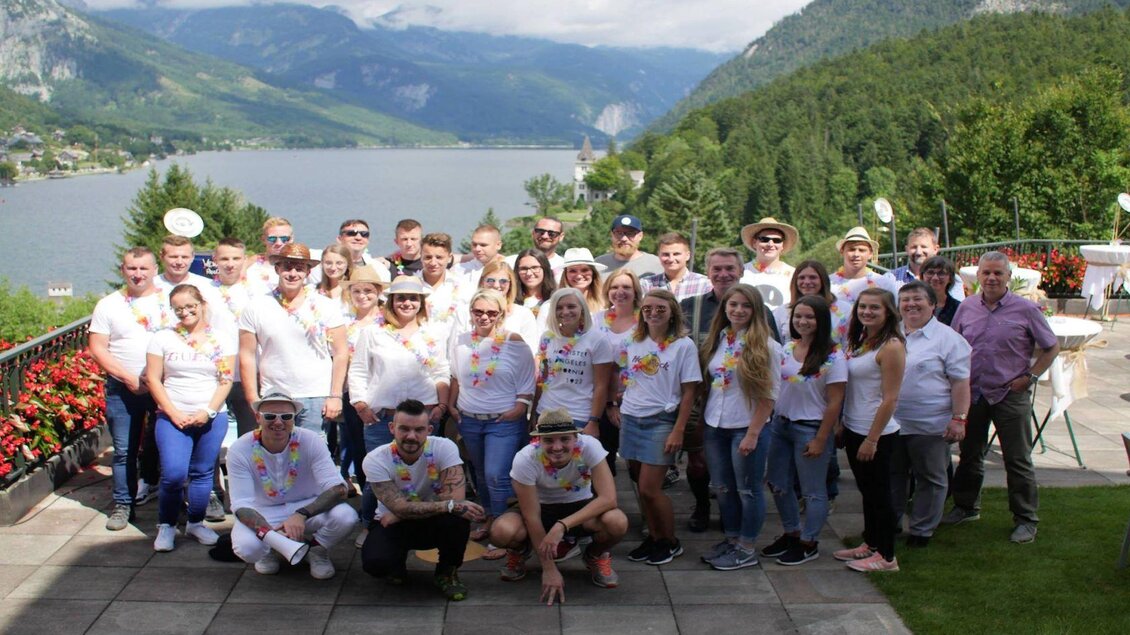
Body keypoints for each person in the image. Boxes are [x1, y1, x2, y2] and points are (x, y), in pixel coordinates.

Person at [943, 251, 1059, 544]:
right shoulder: (967, 308)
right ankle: (967, 506)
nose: (992, 278)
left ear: (1008, 276)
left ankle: (1026, 519)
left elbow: (1051, 347)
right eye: (986, 273)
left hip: (1010, 394)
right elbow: (953, 346)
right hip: (973, 394)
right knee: (969, 455)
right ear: (978, 276)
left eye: (998, 273)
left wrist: (1031, 377)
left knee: (1018, 460)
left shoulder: (1026, 310)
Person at [679, 248, 781, 533]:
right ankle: (703, 507)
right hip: (703, 403)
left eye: (729, 269)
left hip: (744, 408)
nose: (723, 274)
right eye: (717, 269)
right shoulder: (690, 306)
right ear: (707, 273)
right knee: (699, 465)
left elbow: (772, 367)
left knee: (742, 479)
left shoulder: (762, 314)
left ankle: (737, 528)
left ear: (741, 271)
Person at [349, 275, 450, 546]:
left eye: (413, 298)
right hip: (383, 417)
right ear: (391, 301)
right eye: (401, 297)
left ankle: (423, 523)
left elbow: (441, 371)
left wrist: (441, 405)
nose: (407, 303)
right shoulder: (373, 331)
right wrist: (360, 404)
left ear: (421, 302)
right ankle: (369, 523)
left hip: (424, 416)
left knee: (426, 472)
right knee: (376, 476)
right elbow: (358, 370)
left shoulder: (434, 332)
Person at [491, 409, 628, 603]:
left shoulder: (590, 446)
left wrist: (562, 525)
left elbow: (608, 499)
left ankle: (595, 555)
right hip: (540, 507)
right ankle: (520, 551)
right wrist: (549, 569)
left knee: (617, 521)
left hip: (581, 507)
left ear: (576, 437)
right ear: (538, 441)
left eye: (564, 439)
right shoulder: (525, 458)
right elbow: (532, 516)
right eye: (549, 440)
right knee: (501, 532)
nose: (557, 447)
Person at [611, 289, 702, 565]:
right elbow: (621, 374)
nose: (653, 313)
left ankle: (669, 541)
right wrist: (616, 402)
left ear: (672, 311)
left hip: (661, 421)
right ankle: (653, 538)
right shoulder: (633, 341)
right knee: (640, 485)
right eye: (648, 308)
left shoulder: (683, 345)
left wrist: (678, 429)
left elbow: (690, 392)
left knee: (652, 488)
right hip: (632, 417)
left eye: (660, 308)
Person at [361, 399, 485, 601]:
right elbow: (402, 507)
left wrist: (402, 513)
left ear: (429, 429)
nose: (411, 436)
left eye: (419, 430)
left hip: (430, 521)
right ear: (392, 428)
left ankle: (447, 572)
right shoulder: (376, 459)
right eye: (404, 429)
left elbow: (456, 500)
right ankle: (395, 564)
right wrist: (403, 511)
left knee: (458, 518)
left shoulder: (444, 447)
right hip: (390, 524)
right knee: (375, 563)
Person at [145, 284, 235, 551]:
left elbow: (225, 379)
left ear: (202, 304)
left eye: (190, 306)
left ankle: (196, 522)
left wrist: (207, 411)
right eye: (178, 309)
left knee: (203, 472)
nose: (185, 312)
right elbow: (153, 378)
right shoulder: (162, 338)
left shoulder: (221, 339)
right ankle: (166, 525)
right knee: (173, 474)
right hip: (173, 416)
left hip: (210, 415)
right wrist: (172, 412)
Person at [228, 393, 357, 579]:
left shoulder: (311, 440)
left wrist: (301, 514)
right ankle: (269, 550)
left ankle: (316, 550)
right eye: (270, 416)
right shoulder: (240, 448)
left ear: (294, 419)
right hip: (263, 511)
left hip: (306, 505)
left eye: (286, 416)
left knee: (346, 516)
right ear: (258, 418)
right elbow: (241, 505)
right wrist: (272, 536)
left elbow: (338, 488)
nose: (278, 422)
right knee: (247, 548)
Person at [447, 288, 536, 554]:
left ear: (501, 314)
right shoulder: (462, 341)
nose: (484, 317)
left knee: (496, 474)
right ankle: (488, 516)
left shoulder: (514, 341)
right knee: (480, 473)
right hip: (470, 419)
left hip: (503, 421)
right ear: (471, 312)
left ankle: (501, 529)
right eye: (478, 311)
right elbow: (455, 376)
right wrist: (451, 405)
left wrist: (520, 407)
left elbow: (527, 378)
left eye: (491, 312)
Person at [698, 285, 780, 570]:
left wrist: (753, 433)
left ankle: (746, 547)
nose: (738, 310)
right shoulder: (719, 339)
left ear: (755, 310)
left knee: (748, 490)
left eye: (746, 305)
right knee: (723, 488)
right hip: (715, 424)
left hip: (745, 427)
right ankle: (732, 540)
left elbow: (769, 396)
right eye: (733, 304)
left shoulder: (766, 346)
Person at [89, 247, 170, 530]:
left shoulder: (169, 301)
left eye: (144, 268)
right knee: (124, 450)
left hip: (165, 385)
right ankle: (123, 504)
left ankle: (173, 505)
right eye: (132, 269)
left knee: (169, 445)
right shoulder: (109, 304)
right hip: (124, 387)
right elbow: (98, 348)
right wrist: (127, 377)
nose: (138, 274)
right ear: (123, 270)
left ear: (154, 270)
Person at [761, 295, 846, 566]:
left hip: (810, 428)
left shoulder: (833, 355)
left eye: (809, 316)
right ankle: (791, 532)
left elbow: (835, 401)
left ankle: (809, 541)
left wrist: (822, 438)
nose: (803, 321)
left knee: (812, 490)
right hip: (781, 426)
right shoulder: (786, 349)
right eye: (798, 316)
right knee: (778, 483)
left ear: (821, 320)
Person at [238, 242, 349, 438]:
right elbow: (247, 354)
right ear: (277, 268)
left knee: (313, 455)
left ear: (308, 272)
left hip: (316, 393)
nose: (292, 273)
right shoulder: (256, 306)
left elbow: (340, 353)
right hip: (274, 393)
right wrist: (253, 398)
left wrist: (335, 395)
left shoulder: (326, 306)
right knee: (274, 452)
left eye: (299, 268)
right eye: (287, 267)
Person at [892, 281, 971, 547]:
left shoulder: (949, 339)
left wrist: (959, 419)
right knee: (894, 477)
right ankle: (890, 523)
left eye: (917, 299)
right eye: (905, 300)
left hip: (930, 424)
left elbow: (960, 382)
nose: (911, 304)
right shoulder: (889, 334)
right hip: (891, 423)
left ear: (933, 304)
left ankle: (922, 530)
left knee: (930, 478)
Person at [834, 288, 905, 572]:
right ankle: (871, 544)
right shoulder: (864, 341)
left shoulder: (892, 346)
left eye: (874, 308)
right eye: (863, 307)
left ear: (888, 312)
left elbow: (890, 398)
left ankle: (887, 557)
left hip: (877, 433)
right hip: (854, 426)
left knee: (880, 495)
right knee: (868, 492)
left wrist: (872, 439)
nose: (867, 312)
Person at [337, 266, 388, 507]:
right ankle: (367, 504)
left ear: (378, 292)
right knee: (359, 448)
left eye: (368, 290)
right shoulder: (343, 322)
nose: (363, 295)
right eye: (357, 290)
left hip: (382, 394)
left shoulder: (388, 319)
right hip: (353, 394)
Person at [533, 288, 614, 436]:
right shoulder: (547, 338)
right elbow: (542, 378)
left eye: (571, 306)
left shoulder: (597, 339)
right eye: (559, 307)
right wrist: (533, 412)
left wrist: (593, 421)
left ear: (582, 309)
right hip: (545, 412)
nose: (565, 311)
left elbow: (601, 385)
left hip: (578, 415)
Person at [593, 269, 644, 474]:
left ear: (635, 291)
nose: (620, 292)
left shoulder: (645, 321)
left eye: (626, 287)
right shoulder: (596, 320)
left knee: (637, 464)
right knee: (605, 458)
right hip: (603, 397)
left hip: (637, 397)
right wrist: (610, 403)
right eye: (614, 287)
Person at [773, 260, 853, 347]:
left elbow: (849, 345)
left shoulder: (845, 309)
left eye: (812, 277)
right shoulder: (781, 311)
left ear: (823, 280)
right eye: (802, 278)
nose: (807, 282)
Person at [474, 260, 540, 354]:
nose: (496, 285)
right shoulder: (466, 311)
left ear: (510, 284)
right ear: (482, 282)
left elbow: (531, 352)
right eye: (490, 280)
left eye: (503, 281)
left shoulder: (523, 314)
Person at [738, 217, 799, 310]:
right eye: (764, 239)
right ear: (754, 243)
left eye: (777, 240)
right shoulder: (740, 272)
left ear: (782, 245)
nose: (770, 244)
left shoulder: (794, 275)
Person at [829, 227, 899, 306]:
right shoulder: (829, 283)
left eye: (862, 250)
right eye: (851, 249)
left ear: (870, 254)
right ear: (842, 251)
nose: (856, 254)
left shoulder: (884, 283)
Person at [419, 232, 468, 343]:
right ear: (420, 257)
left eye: (439, 257)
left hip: (453, 350)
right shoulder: (411, 286)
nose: (433, 262)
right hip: (419, 351)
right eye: (428, 257)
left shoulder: (463, 287)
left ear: (449, 258)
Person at [640, 232, 712, 301]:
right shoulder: (647, 284)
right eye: (666, 254)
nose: (671, 259)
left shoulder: (704, 284)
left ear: (687, 255)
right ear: (659, 255)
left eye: (676, 254)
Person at [595, 214, 663, 279]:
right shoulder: (598, 264)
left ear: (640, 236)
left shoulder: (656, 264)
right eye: (619, 233)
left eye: (630, 233)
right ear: (612, 235)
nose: (624, 239)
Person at [243, 217, 293, 296]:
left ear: (291, 239)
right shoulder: (248, 265)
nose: (278, 243)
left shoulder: (302, 267)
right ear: (263, 239)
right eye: (272, 239)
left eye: (284, 239)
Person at [559, 247, 607, 313]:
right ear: (565, 274)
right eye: (573, 271)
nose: (579, 276)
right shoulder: (553, 304)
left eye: (584, 270)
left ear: (593, 273)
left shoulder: (606, 303)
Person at [514, 249, 557, 317]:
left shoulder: (556, 299)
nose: (529, 273)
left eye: (534, 267)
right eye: (523, 269)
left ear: (545, 269)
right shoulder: (511, 300)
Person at [919, 256, 962, 326]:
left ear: (950, 278)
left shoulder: (958, 308)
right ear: (922, 276)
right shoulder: (913, 304)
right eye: (930, 273)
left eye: (941, 273)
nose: (935, 278)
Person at [314, 243, 353, 308]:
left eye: (339, 263)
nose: (333, 268)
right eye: (328, 263)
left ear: (348, 264)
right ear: (322, 264)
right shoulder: (313, 291)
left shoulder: (355, 291)